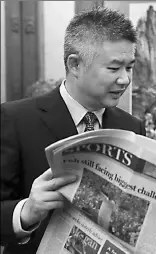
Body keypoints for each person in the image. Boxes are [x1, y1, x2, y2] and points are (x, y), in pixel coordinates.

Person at [1, 7, 145, 253]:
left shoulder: (131, 127)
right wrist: (26, 211)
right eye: (114, 68)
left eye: (129, 67)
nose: (125, 79)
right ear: (75, 64)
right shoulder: (15, 119)